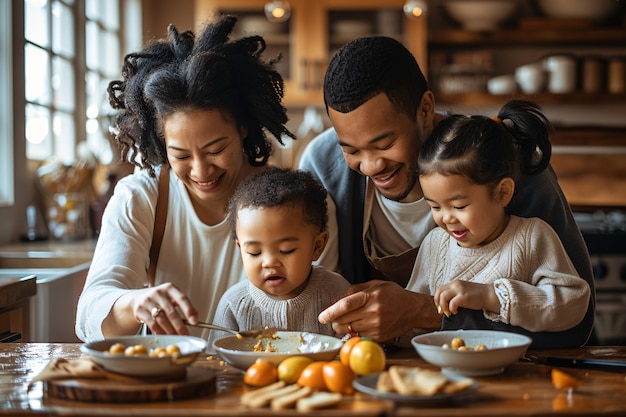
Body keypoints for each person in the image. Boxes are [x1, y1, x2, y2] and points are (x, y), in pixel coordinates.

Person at [299, 36, 595, 348]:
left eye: (385, 144)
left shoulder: (504, 163)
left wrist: (423, 312)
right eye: (351, 150)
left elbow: (576, 323)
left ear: (425, 108)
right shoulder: (323, 166)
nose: (371, 166)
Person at [75, 15, 296, 342]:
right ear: (162, 144)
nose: (201, 171)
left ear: (243, 127)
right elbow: (89, 316)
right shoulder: (142, 197)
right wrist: (135, 302)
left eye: (216, 149)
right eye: (181, 155)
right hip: (171, 379)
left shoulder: (291, 199)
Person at [404, 100, 590, 338]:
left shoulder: (531, 237)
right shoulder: (434, 245)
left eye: (459, 205)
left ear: (502, 192)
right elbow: (411, 316)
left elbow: (573, 303)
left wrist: (492, 297)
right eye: (434, 206)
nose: (447, 218)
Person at [207, 167, 351, 348]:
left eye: (286, 250)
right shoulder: (234, 305)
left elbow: (353, 351)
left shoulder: (336, 293)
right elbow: (215, 362)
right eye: (254, 252)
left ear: (317, 246)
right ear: (240, 249)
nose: (269, 262)